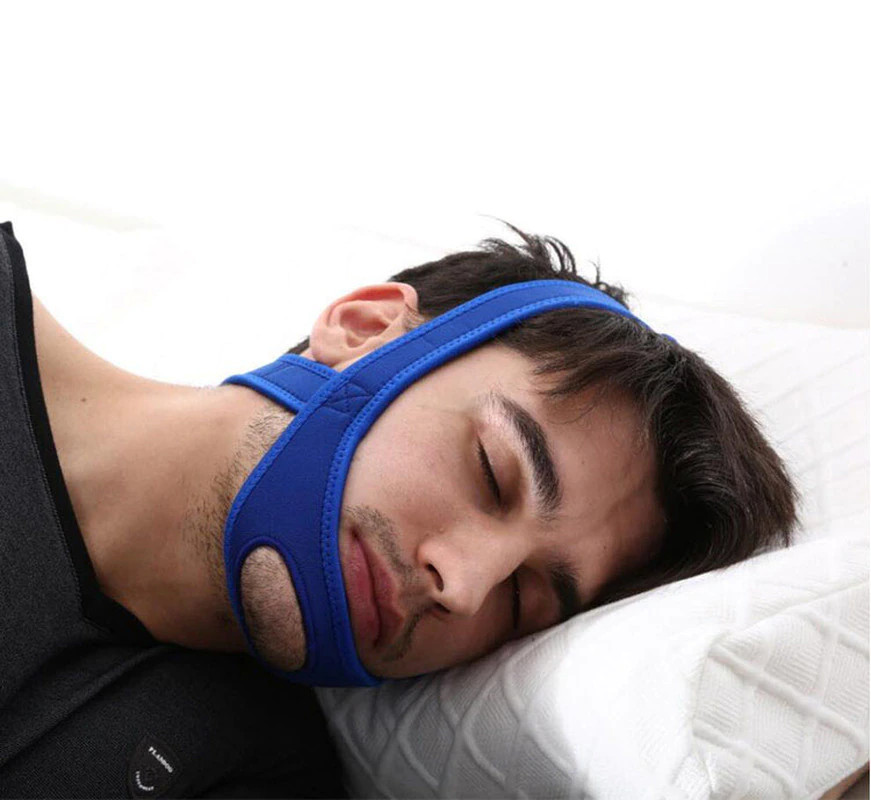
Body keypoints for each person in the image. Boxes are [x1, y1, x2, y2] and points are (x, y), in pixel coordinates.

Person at [0, 220, 797, 797]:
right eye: (492, 471)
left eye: (523, 599)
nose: (465, 587)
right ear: (365, 327)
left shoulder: (250, 765)